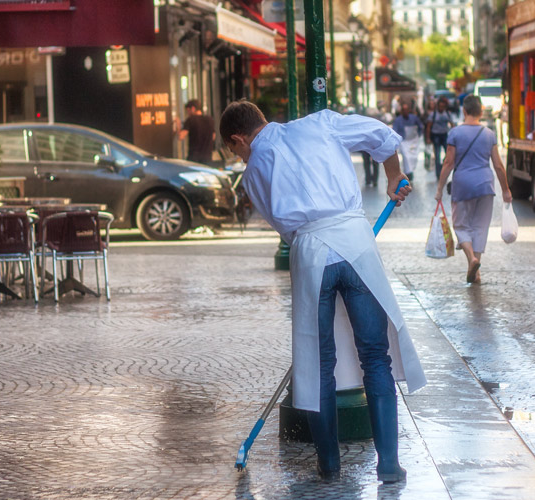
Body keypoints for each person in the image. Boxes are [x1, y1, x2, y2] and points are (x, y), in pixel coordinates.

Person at [218, 101, 427, 483]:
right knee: (375, 358)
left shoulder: (252, 176)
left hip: (310, 254)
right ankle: (390, 465)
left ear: (238, 138)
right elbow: (381, 135)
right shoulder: (321, 124)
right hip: (356, 245)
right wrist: (393, 174)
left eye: (236, 150)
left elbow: (286, 231)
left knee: (317, 366)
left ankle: (329, 464)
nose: (240, 155)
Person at [434, 95, 513, 284]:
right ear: (480, 111)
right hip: (486, 185)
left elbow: (448, 162)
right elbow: (499, 166)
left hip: (463, 184)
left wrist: (439, 188)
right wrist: (506, 190)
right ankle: (476, 273)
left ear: (464, 111)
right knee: (480, 227)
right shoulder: (489, 134)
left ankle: (472, 259)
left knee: (461, 225)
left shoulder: (455, 133)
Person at [392, 99, 425, 181]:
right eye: (404, 110)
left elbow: (420, 126)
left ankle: (411, 171)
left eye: (407, 110)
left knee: (413, 157)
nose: (405, 112)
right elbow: (394, 131)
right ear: (401, 111)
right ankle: (408, 174)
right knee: (406, 157)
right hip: (403, 142)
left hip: (413, 141)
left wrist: (419, 135)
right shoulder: (398, 120)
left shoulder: (414, 118)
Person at [426, 97, 455, 179]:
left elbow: (452, 124)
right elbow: (429, 126)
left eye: (443, 106)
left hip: (445, 135)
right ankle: (438, 174)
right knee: (437, 155)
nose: (441, 108)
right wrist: (428, 138)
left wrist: (455, 134)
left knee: (448, 154)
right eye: (440, 106)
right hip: (436, 136)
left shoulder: (447, 114)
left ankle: (443, 166)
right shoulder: (433, 114)